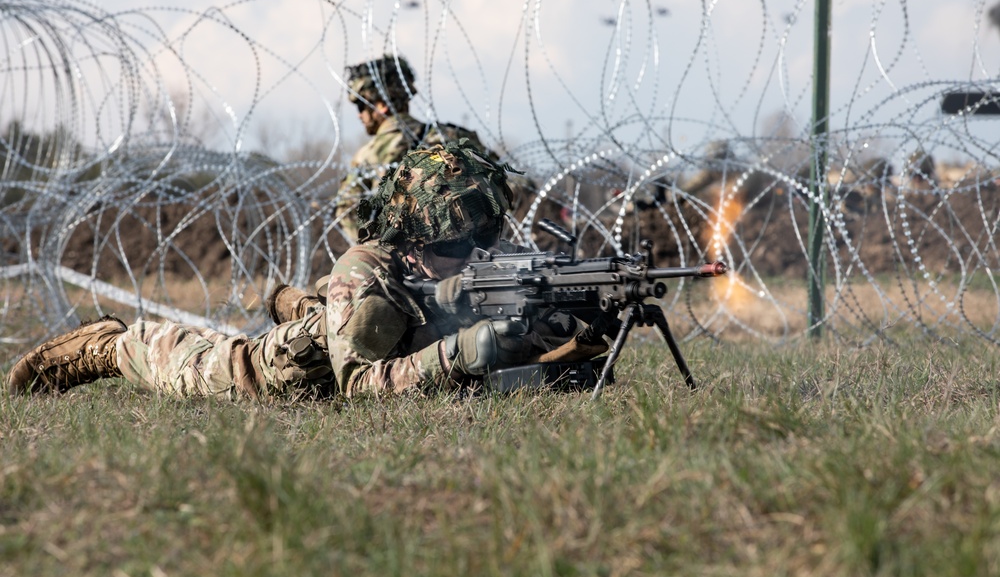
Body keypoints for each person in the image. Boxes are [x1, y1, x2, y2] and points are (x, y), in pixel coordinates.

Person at [6, 141, 604, 399]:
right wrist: (467, 350)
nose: (475, 254)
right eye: (458, 243)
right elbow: (361, 389)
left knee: (360, 316)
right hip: (284, 374)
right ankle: (112, 344)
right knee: (189, 364)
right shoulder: (363, 272)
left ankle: (310, 308)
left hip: (359, 324)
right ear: (415, 241)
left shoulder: (465, 263)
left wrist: (575, 325)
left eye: (485, 237)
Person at [335, 54, 496, 241]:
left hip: (404, 261)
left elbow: (348, 213)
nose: (359, 115)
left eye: (361, 107)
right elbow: (506, 184)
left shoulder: (369, 155)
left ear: (380, 106)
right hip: (471, 252)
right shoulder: (452, 136)